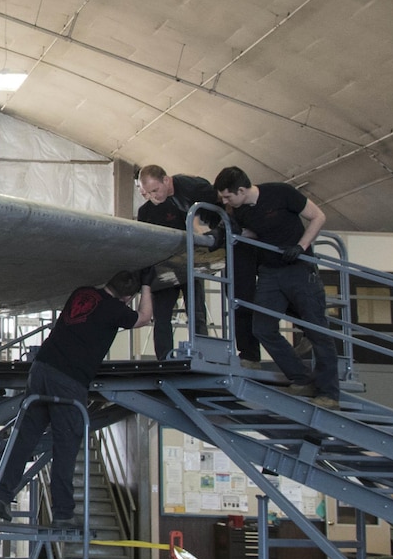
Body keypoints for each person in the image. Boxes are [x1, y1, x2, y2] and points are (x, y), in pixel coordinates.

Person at [0, 270, 154, 525]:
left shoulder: (82, 292)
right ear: (127, 298)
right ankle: (64, 514)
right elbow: (144, 318)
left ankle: (1, 497)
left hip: (41, 370)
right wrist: (146, 286)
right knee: (66, 447)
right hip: (68, 381)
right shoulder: (116, 310)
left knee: (25, 438)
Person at [213, 167, 340, 407]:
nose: (226, 201)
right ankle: (301, 378)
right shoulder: (241, 211)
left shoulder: (281, 193)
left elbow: (318, 216)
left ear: (241, 190)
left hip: (299, 269)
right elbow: (251, 233)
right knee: (262, 328)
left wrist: (301, 246)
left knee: (317, 331)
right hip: (270, 273)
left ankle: (329, 394)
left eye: (228, 196)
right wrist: (228, 234)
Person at [135, 165, 222, 359]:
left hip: (189, 265)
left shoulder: (183, 198)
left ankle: (203, 355)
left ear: (166, 182)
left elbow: (200, 221)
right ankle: (164, 358)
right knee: (162, 316)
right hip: (164, 270)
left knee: (197, 313)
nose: (154, 196)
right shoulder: (145, 212)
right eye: (148, 193)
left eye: (155, 190)